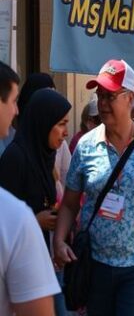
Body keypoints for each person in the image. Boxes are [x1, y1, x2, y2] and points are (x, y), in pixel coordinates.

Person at [54, 59, 134, 315]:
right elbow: (69, 203)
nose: (102, 103)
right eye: (99, 95)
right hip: (95, 263)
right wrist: (58, 240)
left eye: (110, 96)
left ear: (130, 98)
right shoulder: (86, 145)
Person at [0, 88, 71, 314]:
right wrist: (34, 221)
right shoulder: (16, 158)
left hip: (47, 260)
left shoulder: (43, 156)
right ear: (43, 122)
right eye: (60, 123)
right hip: (23, 272)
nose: (66, 132)